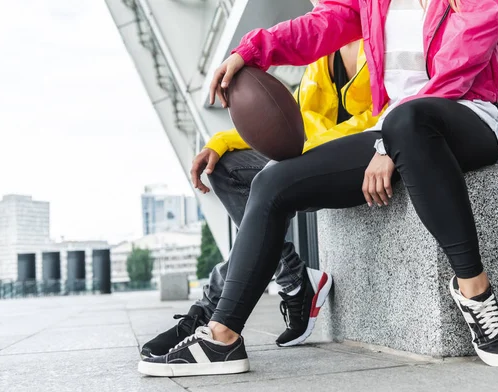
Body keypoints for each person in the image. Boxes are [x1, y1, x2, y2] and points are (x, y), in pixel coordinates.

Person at [138, 0, 498, 377]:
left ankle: (475, 291)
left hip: (465, 119)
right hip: (391, 132)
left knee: (407, 120)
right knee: (271, 184)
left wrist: (387, 144)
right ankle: (221, 337)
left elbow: (454, 75)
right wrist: (251, 51)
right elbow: (321, 24)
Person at [139, 35, 378, 357]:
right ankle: (293, 278)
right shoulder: (327, 53)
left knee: (271, 178)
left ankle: (212, 314)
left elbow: (387, 114)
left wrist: (302, 154)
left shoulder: (386, 31)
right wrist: (223, 140)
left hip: (374, 160)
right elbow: (297, 125)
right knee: (225, 166)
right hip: (318, 160)